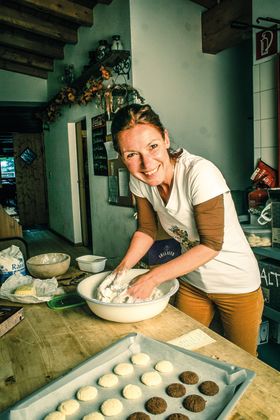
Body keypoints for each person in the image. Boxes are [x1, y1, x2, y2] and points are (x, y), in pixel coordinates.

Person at [110, 103, 264, 356]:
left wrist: (152, 277)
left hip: (236, 285)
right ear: (121, 157)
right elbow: (147, 229)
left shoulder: (199, 173)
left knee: (242, 360)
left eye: (153, 146)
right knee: (181, 352)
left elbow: (211, 244)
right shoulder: (140, 180)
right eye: (131, 155)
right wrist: (123, 268)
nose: (146, 163)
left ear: (166, 138)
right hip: (193, 283)